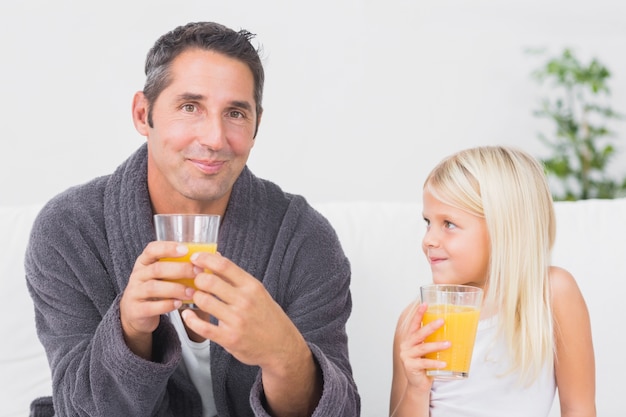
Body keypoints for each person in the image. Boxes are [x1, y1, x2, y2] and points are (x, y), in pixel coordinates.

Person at [25, 21, 360, 417]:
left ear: (256, 126)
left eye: (235, 113)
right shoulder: (69, 231)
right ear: (142, 113)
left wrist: (284, 354)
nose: (215, 138)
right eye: (190, 107)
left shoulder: (305, 238)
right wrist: (130, 331)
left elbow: (340, 412)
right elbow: (78, 410)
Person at [389, 146, 596, 417]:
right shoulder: (416, 320)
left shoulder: (550, 294)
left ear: (504, 228)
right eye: (428, 222)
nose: (428, 239)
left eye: (448, 224)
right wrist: (416, 389)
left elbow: (579, 409)